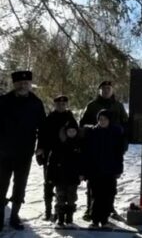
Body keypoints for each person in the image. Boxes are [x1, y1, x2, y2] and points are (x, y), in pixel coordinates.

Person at [0, 71, 46, 231]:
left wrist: (41, 146)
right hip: (3, 151)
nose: (23, 85)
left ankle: (14, 217)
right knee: (1, 185)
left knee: (20, 186)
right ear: (14, 84)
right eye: (20, 83)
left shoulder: (36, 103)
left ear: (30, 84)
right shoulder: (3, 101)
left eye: (26, 83)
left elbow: (43, 128)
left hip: (24, 152)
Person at [80, 80, 128, 220]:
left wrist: (122, 140)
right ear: (99, 90)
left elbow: (126, 125)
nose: (106, 90)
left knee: (110, 182)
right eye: (103, 88)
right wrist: (92, 133)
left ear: (112, 90)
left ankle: (109, 208)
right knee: (93, 182)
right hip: (95, 149)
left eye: (109, 88)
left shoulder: (118, 106)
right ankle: (90, 209)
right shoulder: (92, 106)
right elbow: (82, 125)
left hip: (113, 149)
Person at [80, 109, 125, 228]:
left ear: (109, 120)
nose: (102, 121)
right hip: (95, 170)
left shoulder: (115, 133)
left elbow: (118, 153)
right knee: (95, 195)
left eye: (104, 119)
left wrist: (119, 169)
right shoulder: (92, 132)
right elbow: (86, 153)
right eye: (100, 119)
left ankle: (104, 220)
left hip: (110, 170)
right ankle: (95, 220)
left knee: (108, 195)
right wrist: (85, 171)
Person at [36, 95, 77, 221]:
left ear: (66, 105)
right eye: (59, 104)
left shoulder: (70, 118)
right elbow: (42, 136)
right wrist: (40, 151)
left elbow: (76, 136)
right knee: (48, 184)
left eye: (64, 104)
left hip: (66, 156)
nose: (61, 105)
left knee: (64, 185)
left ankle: (62, 212)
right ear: (55, 105)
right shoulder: (49, 118)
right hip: (50, 155)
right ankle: (48, 212)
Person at [46, 120, 80, 227]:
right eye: (69, 131)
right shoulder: (58, 145)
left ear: (76, 132)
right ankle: (60, 218)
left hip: (73, 178)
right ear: (66, 132)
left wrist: (82, 173)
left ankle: (69, 218)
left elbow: (83, 161)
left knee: (71, 199)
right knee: (60, 198)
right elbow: (51, 163)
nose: (71, 133)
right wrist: (50, 177)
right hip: (60, 177)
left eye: (73, 131)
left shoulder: (79, 145)